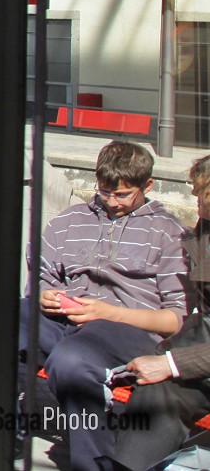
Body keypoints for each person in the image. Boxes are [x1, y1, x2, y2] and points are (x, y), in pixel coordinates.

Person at [20, 140, 187, 471]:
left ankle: (94, 465)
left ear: (147, 185)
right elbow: (41, 278)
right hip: (66, 321)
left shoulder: (168, 233)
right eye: (105, 192)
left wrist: (106, 312)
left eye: (123, 194)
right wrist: (44, 295)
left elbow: (176, 319)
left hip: (126, 329)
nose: (112, 202)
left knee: (72, 362)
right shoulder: (68, 221)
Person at [107, 156, 210, 471]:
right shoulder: (204, 230)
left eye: (199, 192)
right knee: (157, 390)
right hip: (200, 351)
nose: (193, 198)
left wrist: (169, 363)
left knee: (161, 384)